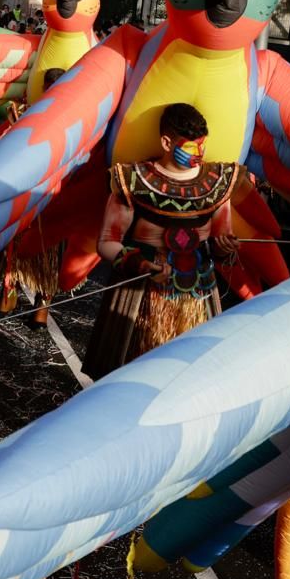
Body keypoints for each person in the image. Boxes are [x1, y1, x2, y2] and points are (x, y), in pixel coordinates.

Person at [84, 103, 239, 379]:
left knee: (192, 378)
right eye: (191, 147)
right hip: (140, 300)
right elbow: (107, 242)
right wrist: (141, 264)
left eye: (202, 146)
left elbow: (220, 242)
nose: (199, 154)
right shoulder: (133, 181)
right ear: (167, 142)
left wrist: (224, 249)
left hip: (197, 297)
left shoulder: (219, 183)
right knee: (127, 378)